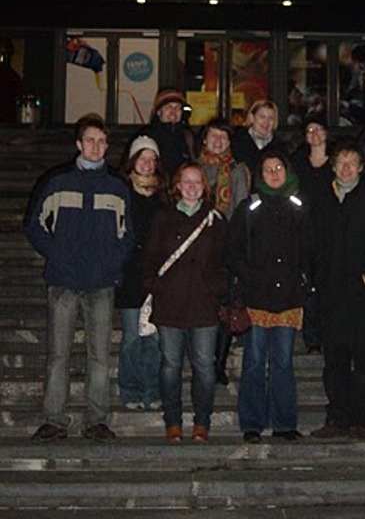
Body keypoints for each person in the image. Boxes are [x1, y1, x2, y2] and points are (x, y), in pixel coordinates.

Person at [25, 114, 133, 443]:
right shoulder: (57, 182)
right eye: (90, 140)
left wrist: (110, 263)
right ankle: (54, 419)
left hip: (101, 284)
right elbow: (34, 225)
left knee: (99, 357)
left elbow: (128, 234)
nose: (95, 147)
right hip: (63, 282)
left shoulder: (117, 187)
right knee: (58, 355)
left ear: (107, 146)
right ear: (78, 144)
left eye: (101, 141)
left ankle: (96, 420)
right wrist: (56, 254)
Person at [225, 150, 310, 443]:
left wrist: (302, 276)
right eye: (268, 169)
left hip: (288, 297)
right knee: (253, 361)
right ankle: (252, 423)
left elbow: (310, 248)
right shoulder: (250, 206)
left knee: (283, 362)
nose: (274, 174)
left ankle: (284, 423)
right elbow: (231, 250)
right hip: (256, 297)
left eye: (279, 168)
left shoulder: (298, 206)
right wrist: (250, 275)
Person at [311, 139, 365, 440]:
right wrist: (317, 276)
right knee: (334, 359)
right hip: (330, 292)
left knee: (362, 358)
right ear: (333, 166)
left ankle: (360, 419)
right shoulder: (322, 199)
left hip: (361, 294)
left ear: (361, 167)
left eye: (352, 162)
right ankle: (337, 416)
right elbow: (311, 241)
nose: (346, 168)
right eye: (341, 162)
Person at [142, 163, 228, 444]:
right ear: (177, 185)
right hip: (171, 304)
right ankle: (173, 422)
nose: (192, 187)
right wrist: (157, 287)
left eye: (197, 182)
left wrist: (216, 288)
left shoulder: (216, 220)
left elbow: (226, 260)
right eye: (186, 182)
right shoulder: (162, 217)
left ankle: (202, 422)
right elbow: (149, 258)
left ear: (205, 187)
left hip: (203, 305)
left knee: (204, 366)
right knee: (170, 365)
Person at [115, 135, 167, 410]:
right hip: (130, 275)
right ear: (132, 161)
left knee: (155, 338)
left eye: (152, 159)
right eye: (142, 158)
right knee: (132, 338)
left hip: (158, 276)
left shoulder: (164, 197)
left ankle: (153, 390)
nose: (147, 164)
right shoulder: (121, 193)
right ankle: (131, 390)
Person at [198, 119, 250, 385]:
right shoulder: (194, 167)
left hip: (226, 248)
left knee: (226, 308)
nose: (218, 142)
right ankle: (201, 359)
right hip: (198, 246)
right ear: (205, 138)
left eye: (223, 137)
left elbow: (240, 211)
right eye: (213, 136)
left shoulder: (237, 170)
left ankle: (218, 362)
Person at [291, 113, 335, 354]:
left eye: (319, 129)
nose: (315, 134)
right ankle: (312, 340)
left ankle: (330, 336)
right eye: (310, 130)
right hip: (305, 233)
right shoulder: (298, 163)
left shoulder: (337, 162)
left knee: (330, 289)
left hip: (331, 234)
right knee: (309, 289)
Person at [139, 87, 196, 180]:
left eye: (177, 108)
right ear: (159, 112)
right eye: (168, 107)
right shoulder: (146, 137)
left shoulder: (188, 137)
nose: (173, 112)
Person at [231, 99, 283, 180]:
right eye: (262, 117)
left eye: (271, 118)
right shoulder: (236, 142)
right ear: (252, 118)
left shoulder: (280, 147)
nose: (266, 122)